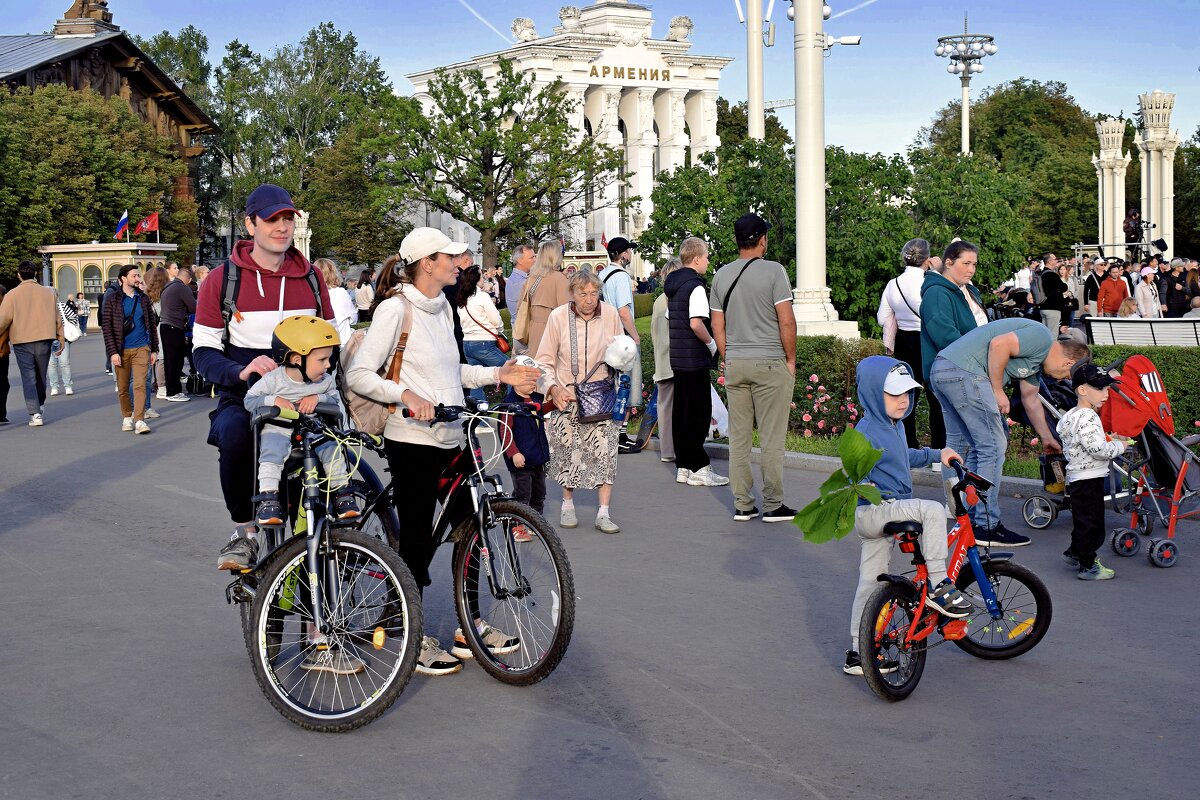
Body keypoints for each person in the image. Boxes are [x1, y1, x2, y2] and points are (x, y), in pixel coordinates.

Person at [346, 227, 538, 676]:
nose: (459, 262)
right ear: (426, 262)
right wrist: (403, 394)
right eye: (450, 257)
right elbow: (358, 374)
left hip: (454, 435)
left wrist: (499, 376)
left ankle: (468, 622)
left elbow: (455, 373)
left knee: (471, 533)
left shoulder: (445, 309)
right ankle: (408, 633)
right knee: (416, 538)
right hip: (411, 438)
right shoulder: (396, 309)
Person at [194, 184, 335, 571]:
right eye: (272, 219)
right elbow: (202, 352)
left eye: (288, 218)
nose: (282, 226)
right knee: (236, 434)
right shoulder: (222, 281)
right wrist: (240, 370)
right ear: (250, 224)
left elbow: (331, 343)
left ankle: (341, 551)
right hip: (247, 395)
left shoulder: (310, 279)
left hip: (307, 394)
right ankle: (246, 534)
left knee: (338, 457)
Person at [843, 357, 970, 676]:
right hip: (874, 510)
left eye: (907, 393)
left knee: (870, 581)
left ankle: (858, 654)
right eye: (893, 394)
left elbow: (903, 456)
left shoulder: (893, 426)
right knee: (931, 510)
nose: (903, 400)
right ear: (873, 393)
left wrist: (935, 454)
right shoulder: (867, 429)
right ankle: (940, 583)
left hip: (882, 512)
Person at [929, 318, 1088, 546]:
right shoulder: (1042, 337)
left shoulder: (1034, 364)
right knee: (993, 446)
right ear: (1068, 363)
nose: (1058, 379)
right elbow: (999, 344)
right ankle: (987, 526)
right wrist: (996, 389)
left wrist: (1047, 438)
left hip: (944, 371)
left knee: (980, 447)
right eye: (1065, 376)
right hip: (965, 372)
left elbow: (1030, 399)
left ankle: (975, 519)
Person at [709, 213, 798, 523]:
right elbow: (786, 319)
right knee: (772, 438)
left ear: (737, 241)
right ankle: (773, 503)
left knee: (739, 438)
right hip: (770, 361)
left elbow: (716, 323)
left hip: (736, 362)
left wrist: (727, 354)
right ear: (763, 239)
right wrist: (790, 359)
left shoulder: (721, 275)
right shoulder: (775, 272)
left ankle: (743, 503)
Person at [535, 269, 626, 534]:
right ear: (572, 294)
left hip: (601, 396)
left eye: (594, 293)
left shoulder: (609, 314)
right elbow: (544, 360)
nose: (589, 299)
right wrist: (552, 388)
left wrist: (623, 358)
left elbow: (621, 353)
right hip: (567, 396)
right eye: (583, 293)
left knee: (606, 454)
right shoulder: (558, 317)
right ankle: (567, 505)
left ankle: (604, 513)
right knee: (569, 453)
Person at [244, 315, 359, 526]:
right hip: (278, 427)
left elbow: (334, 399)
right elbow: (250, 400)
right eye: (322, 360)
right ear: (298, 359)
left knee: (332, 448)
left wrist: (317, 398)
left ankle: (342, 493)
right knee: (271, 452)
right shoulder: (273, 380)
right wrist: (274, 400)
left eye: (329, 359)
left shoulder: (323, 382)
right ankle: (269, 498)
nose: (328, 366)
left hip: (312, 427)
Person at [665, 237, 727, 487]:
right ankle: (700, 466)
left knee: (681, 412)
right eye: (707, 256)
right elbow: (696, 322)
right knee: (699, 413)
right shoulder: (696, 286)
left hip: (679, 358)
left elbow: (672, 317)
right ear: (697, 258)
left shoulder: (673, 285)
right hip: (695, 358)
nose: (708, 260)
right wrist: (712, 344)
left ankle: (684, 466)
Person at [1058, 363, 1129, 581]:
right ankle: (1088, 566)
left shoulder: (1072, 414)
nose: (1106, 394)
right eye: (1100, 389)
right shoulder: (1088, 416)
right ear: (1082, 390)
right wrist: (1120, 446)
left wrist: (1106, 438)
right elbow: (1098, 450)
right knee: (1093, 524)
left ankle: (1075, 552)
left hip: (1078, 477)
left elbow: (1075, 438)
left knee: (1082, 520)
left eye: (1107, 389)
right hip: (1089, 478)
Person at [919, 241, 986, 450]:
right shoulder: (937, 293)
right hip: (956, 373)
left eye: (974, 264)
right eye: (966, 263)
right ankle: (957, 482)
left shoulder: (967, 290)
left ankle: (962, 482)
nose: (971, 269)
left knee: (968, 444)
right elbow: (947, 338)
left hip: (971, 371)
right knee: (961, 444)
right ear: (948, 262)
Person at [877, 237, 934, 449]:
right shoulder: (932, 281)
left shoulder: (894, 284)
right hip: (930, 340)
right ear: (927, 259)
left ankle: (909, 445)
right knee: (935, 396)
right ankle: (939, 449)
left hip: (904, 341)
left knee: (906, 394)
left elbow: (883, 318)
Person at [0, 260, 65, 427]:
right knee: (41, 375)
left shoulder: (12, 295)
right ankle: (40, 403)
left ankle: (35, 412)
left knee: (28, 377)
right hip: (44, 339)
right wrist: (61, 338)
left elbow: (3, 321)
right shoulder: (48, 293)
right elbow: (58, 318)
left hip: (22, 341)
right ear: (35, 273)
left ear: (19, 275)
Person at [102, 264, 159, 434]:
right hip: (121, 350)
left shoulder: (143, 298)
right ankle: (127, 415)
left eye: (138, 275)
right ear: (123, 279)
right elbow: (107, 327)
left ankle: (140, 420)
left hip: (142, 348)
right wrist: (112, 352)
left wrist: (154, 349)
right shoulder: (112, 299)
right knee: (123, 387)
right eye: (134, 276)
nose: (138, 279)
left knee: (140, 385)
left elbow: (151, 325)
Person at [498, 356, 551, 530]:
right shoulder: (509, 405)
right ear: (515, 380)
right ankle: (516, 526)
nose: (534, 384)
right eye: (529, 380)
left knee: (539, 494)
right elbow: (505, 431)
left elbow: (541, 410)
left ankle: (537, 525)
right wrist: (513, 452)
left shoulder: (535, 398)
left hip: (537, 456)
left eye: (535, 380)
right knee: (522, 494)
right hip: (521, 458)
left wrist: (556, 404)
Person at [599, 237, 642, 448]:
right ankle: (621, 435)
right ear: (622, 254)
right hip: (623, 336)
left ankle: (612, 432)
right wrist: (635, 335)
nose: (631, 255)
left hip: (607, 335)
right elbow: (624, 311)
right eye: (629, 251)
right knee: (626, 385)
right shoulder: (622, 276)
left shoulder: (603, 274)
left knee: (612, 386)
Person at [457, 264, 509, 403]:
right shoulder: (482, 297)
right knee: (511, 370)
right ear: (476, 279)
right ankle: (511, 408)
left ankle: (477, 416)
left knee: (475, 381)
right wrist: (500, 331)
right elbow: (495, 319)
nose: (484, 278)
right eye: (481, 276)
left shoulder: (462, 299)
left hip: (467, 343)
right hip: (484, 343)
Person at [649, 257, 680, 464]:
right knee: (680, 409)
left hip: (661, 360)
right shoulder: (675, 298)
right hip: (676, 360)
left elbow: (653, 332)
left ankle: (667, 450)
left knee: (665, 407)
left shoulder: (659, 300)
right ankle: (678, 449)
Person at [522, 240, 571, 356]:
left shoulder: (532, 278)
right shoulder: (560, 279)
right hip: (553, 333)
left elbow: (521, 306)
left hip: (533, 331)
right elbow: (567, 311)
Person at [159, 264, 196, 402]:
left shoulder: (168, 286)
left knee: (169, 360)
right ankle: (174, 392)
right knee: (176, 360)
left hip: (165, 325)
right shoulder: (182, 287)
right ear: (187, 279)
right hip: (175, 326)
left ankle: (170, 390)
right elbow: (194, 307)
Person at [315, 258, 356, 343]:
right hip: (340, 340)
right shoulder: (341, 292)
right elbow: (354, 319)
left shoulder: (312, 295)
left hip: (319, 342)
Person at [505, 244, 535, 353]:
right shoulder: (520, 282)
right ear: (520, 260)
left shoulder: (521, 279)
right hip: (524, 337)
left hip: (522, 335)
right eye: (531, 257)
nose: (535, 260)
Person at [47, 298, 79, 396]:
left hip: (63, 338)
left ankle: (68, 386)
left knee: (64, 363)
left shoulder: (62, 305)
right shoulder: (43, 306)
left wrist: (67, 329)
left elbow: (74, 317)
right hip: (48, 339)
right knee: (51, 364)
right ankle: (54, 386)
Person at [1038, 253, 1069, 333]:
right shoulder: (1052, 275)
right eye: (1055, 259)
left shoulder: (1042, 273)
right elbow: (1063, 287)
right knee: (1052, 335)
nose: (1057, 261)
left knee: (1045, 335)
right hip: (1053, 308)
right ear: (1050, 261)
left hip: (1043, 306)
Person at [0, 285, 8, 424]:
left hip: (3, 351)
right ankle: (1, 413)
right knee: (3, 383)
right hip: (2, 352)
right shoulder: (4, 310)